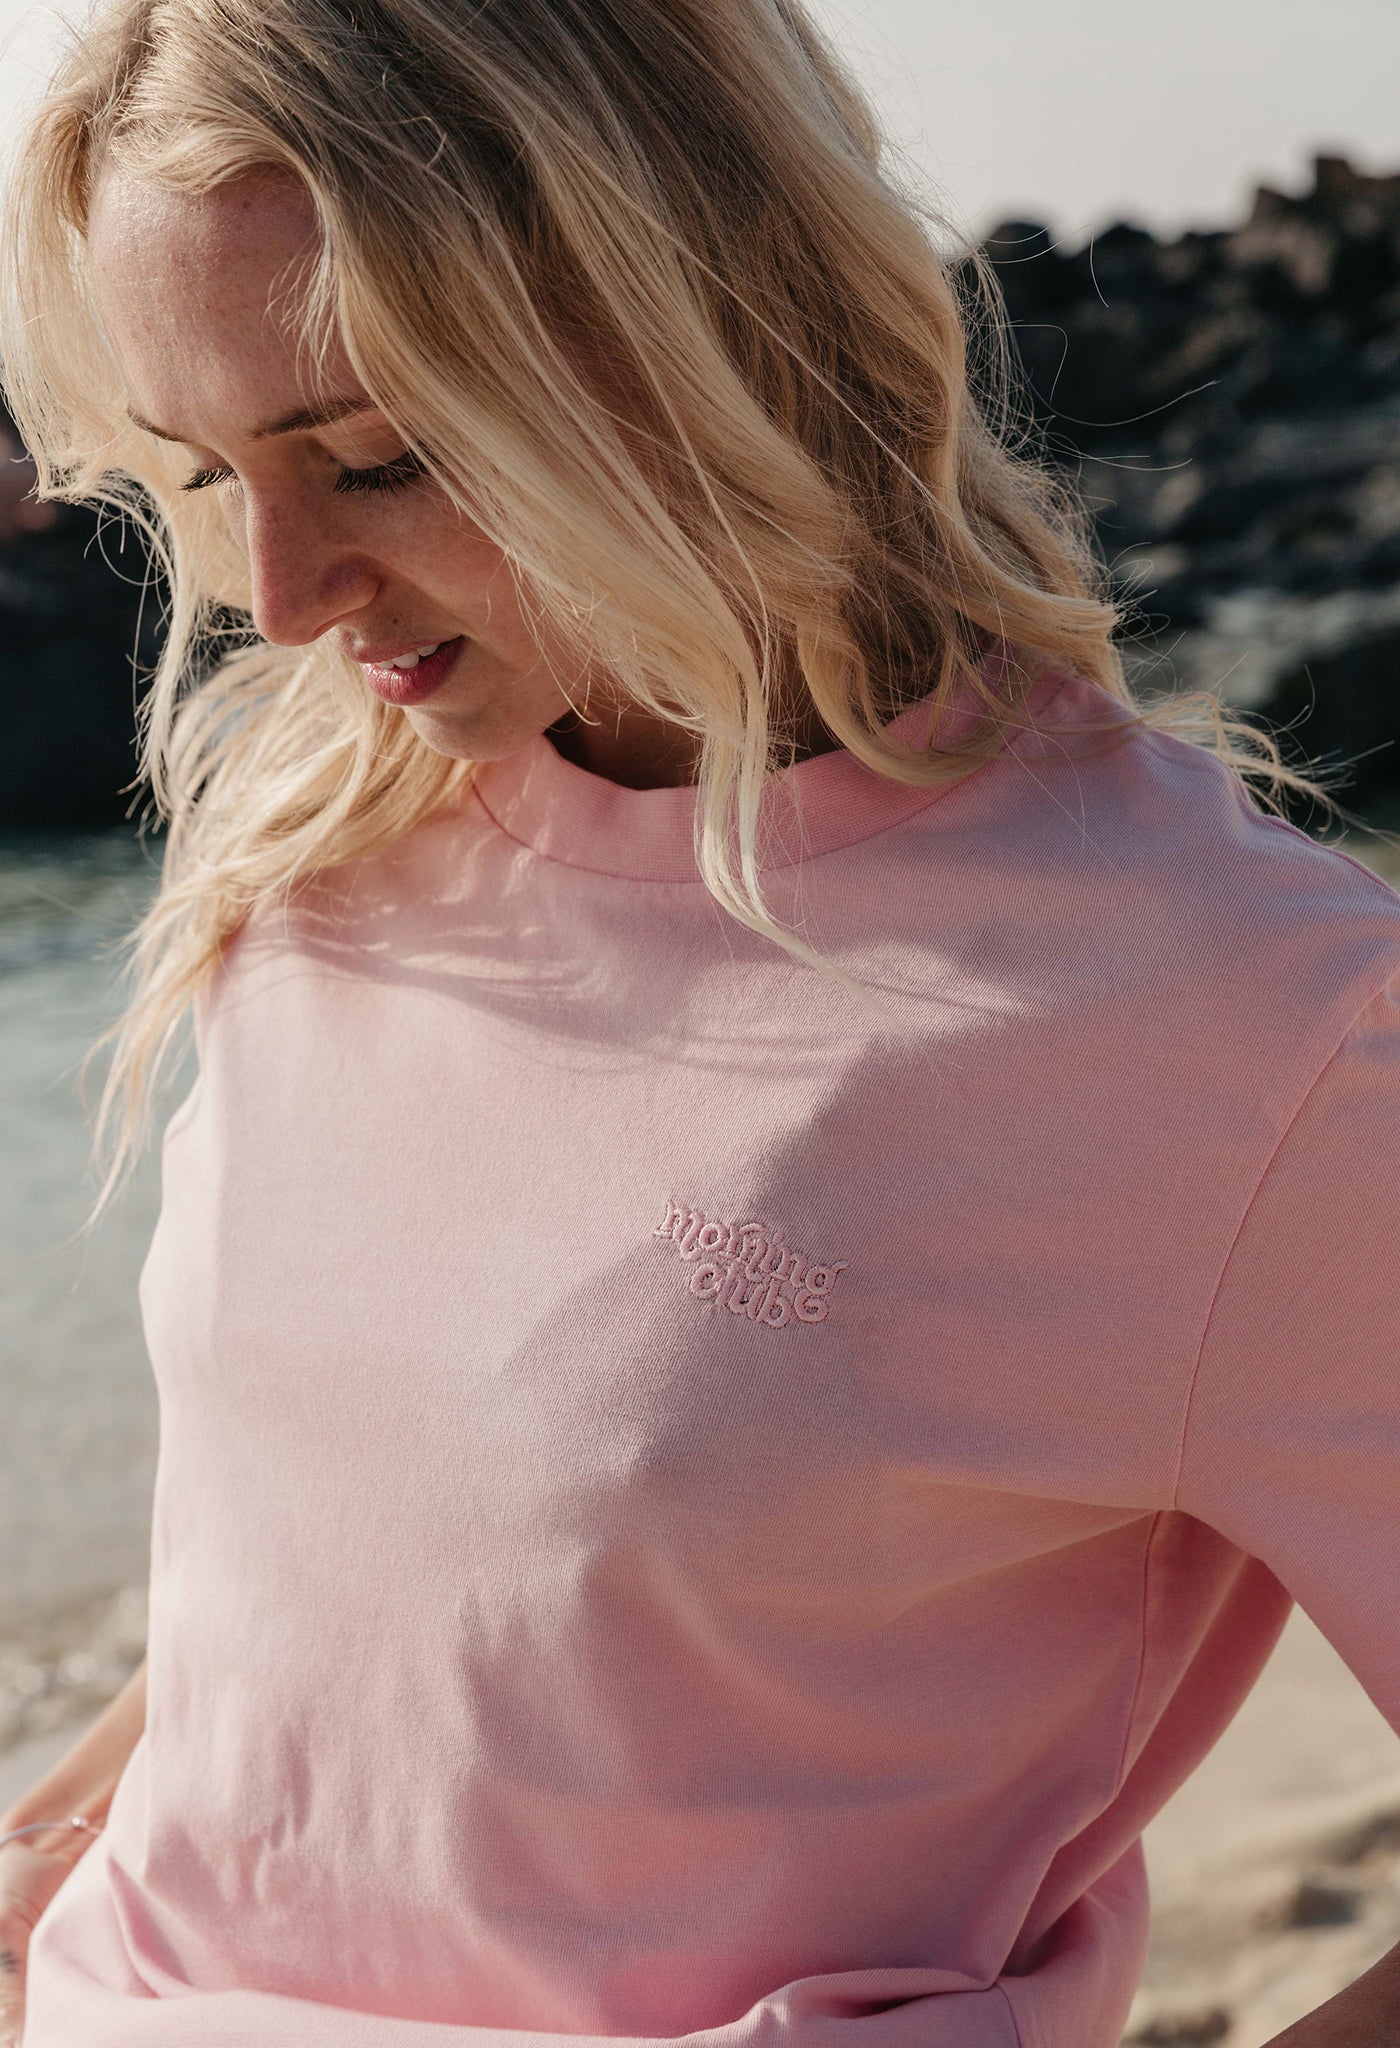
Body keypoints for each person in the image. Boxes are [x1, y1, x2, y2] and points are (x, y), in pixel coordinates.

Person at [2, 0, 1398, 2042]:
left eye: (373, 453)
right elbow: (387, 1563)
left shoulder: (1227, 1021)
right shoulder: (330, 843)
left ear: (690, 326)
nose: (280, 593)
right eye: (205, 474)